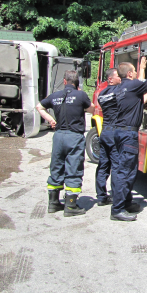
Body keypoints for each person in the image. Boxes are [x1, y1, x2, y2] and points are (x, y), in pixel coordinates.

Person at [109, 53, 147, 222]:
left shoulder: (121, 88)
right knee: (126, 172)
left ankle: (125, 203)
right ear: (129, 74)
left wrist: (143, 70)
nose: (136, 73)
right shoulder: (132, 85)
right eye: (134, 71)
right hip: (128, 134)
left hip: (120, 132)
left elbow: (141, 99)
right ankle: (117, 209)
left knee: (125, 169)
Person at [36, 70, 95, 217]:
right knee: (73, 168)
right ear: (77, 83)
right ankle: (70, 206)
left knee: (56, 167)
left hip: (59, 135)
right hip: (74, 136)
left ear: (64, 81)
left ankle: (53, 203)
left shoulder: (55, 95)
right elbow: (92, 109)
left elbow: (39, 107)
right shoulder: (81, 95)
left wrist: (50, 119)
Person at [94, 67, 122, 207]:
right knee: (116, 166)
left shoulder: (102, 93)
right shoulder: (118, 92)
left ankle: (101, 197)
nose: (120, 78)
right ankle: (117, 199)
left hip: (104, 131)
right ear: (110, 79)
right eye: (118, 76)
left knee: (103, 165)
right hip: (114, 133)